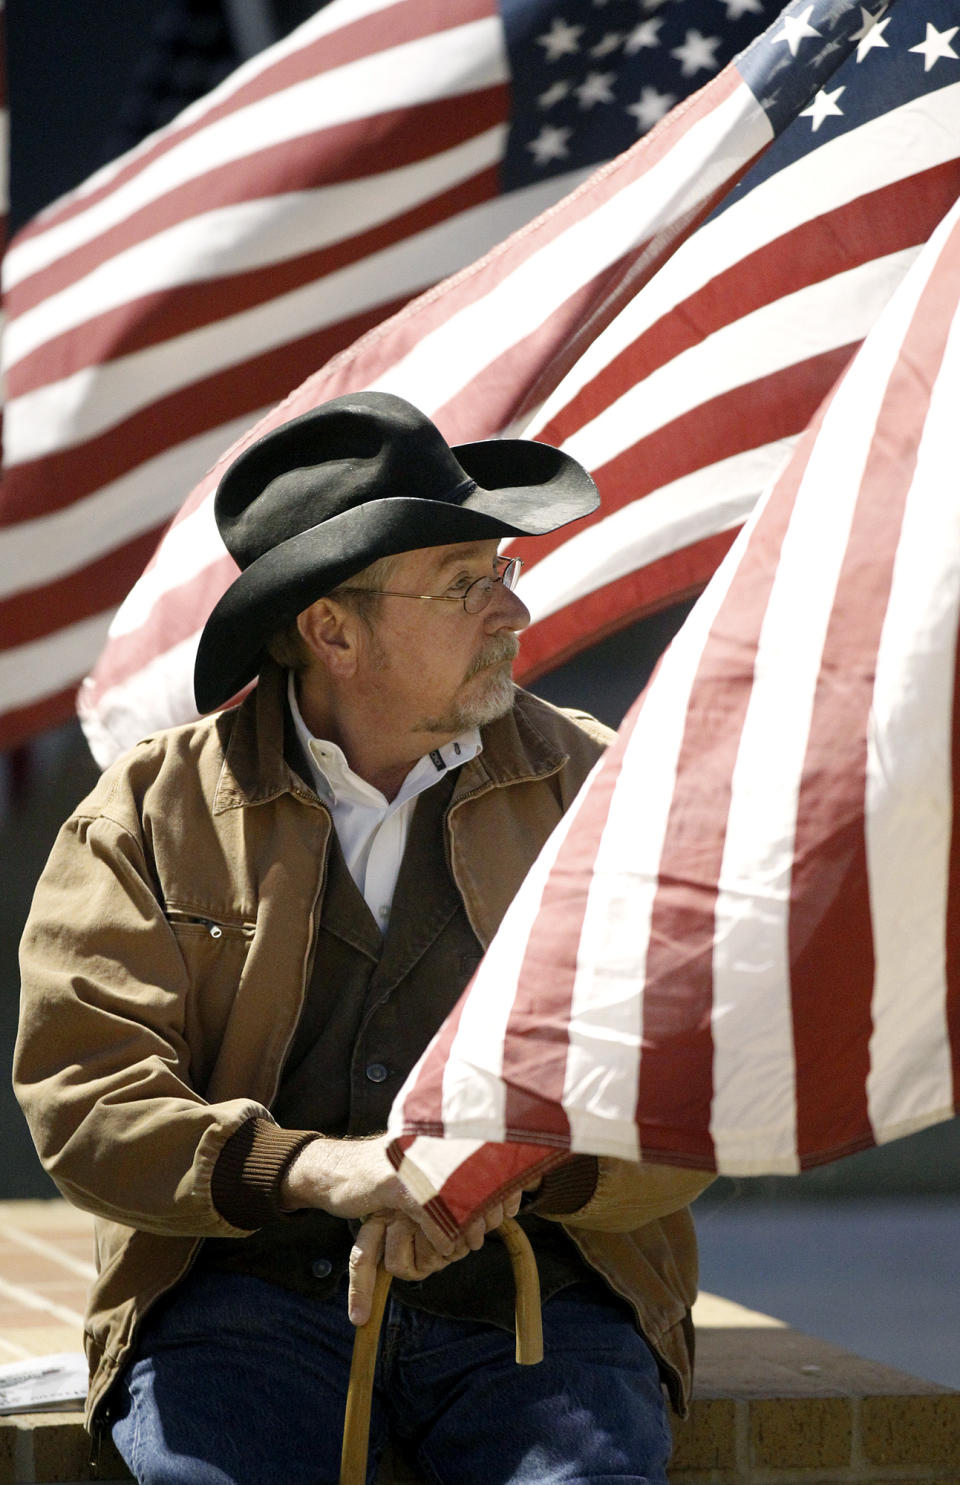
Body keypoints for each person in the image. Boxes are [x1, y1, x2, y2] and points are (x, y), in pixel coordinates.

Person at [15, 392, 712, 1485]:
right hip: (239, 1307)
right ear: (332, 631)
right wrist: (322, 1173)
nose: (511, 613)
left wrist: (496, 1174)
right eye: (465, 586)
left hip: (539, 1310)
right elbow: (85, 1101)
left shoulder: (602, 787)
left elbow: (683, 1075)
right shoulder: (149, 815)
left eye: (505, 575)